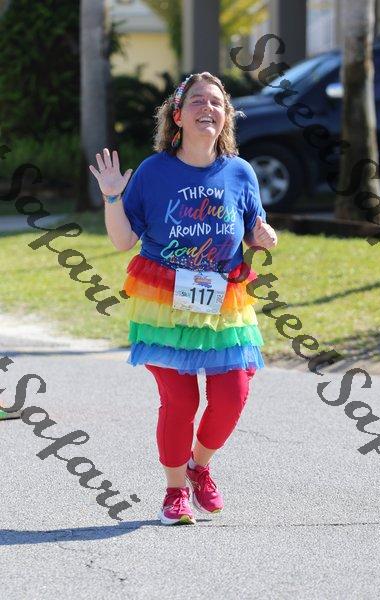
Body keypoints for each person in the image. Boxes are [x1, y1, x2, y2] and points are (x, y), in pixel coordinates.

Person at [89, 72, 278, 526]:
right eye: (196, 101)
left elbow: (254, 227)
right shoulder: (154, 171)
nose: (207, 108)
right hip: (165, 300)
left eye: (216, 102)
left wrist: (263, 236)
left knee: (233, 393)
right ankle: (175, 491)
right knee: (180, 401)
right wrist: (113, 197)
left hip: (224, 301)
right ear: (177, 115)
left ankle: (199, 466)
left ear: (225, 115)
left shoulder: (240, 171)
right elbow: (123, 241)